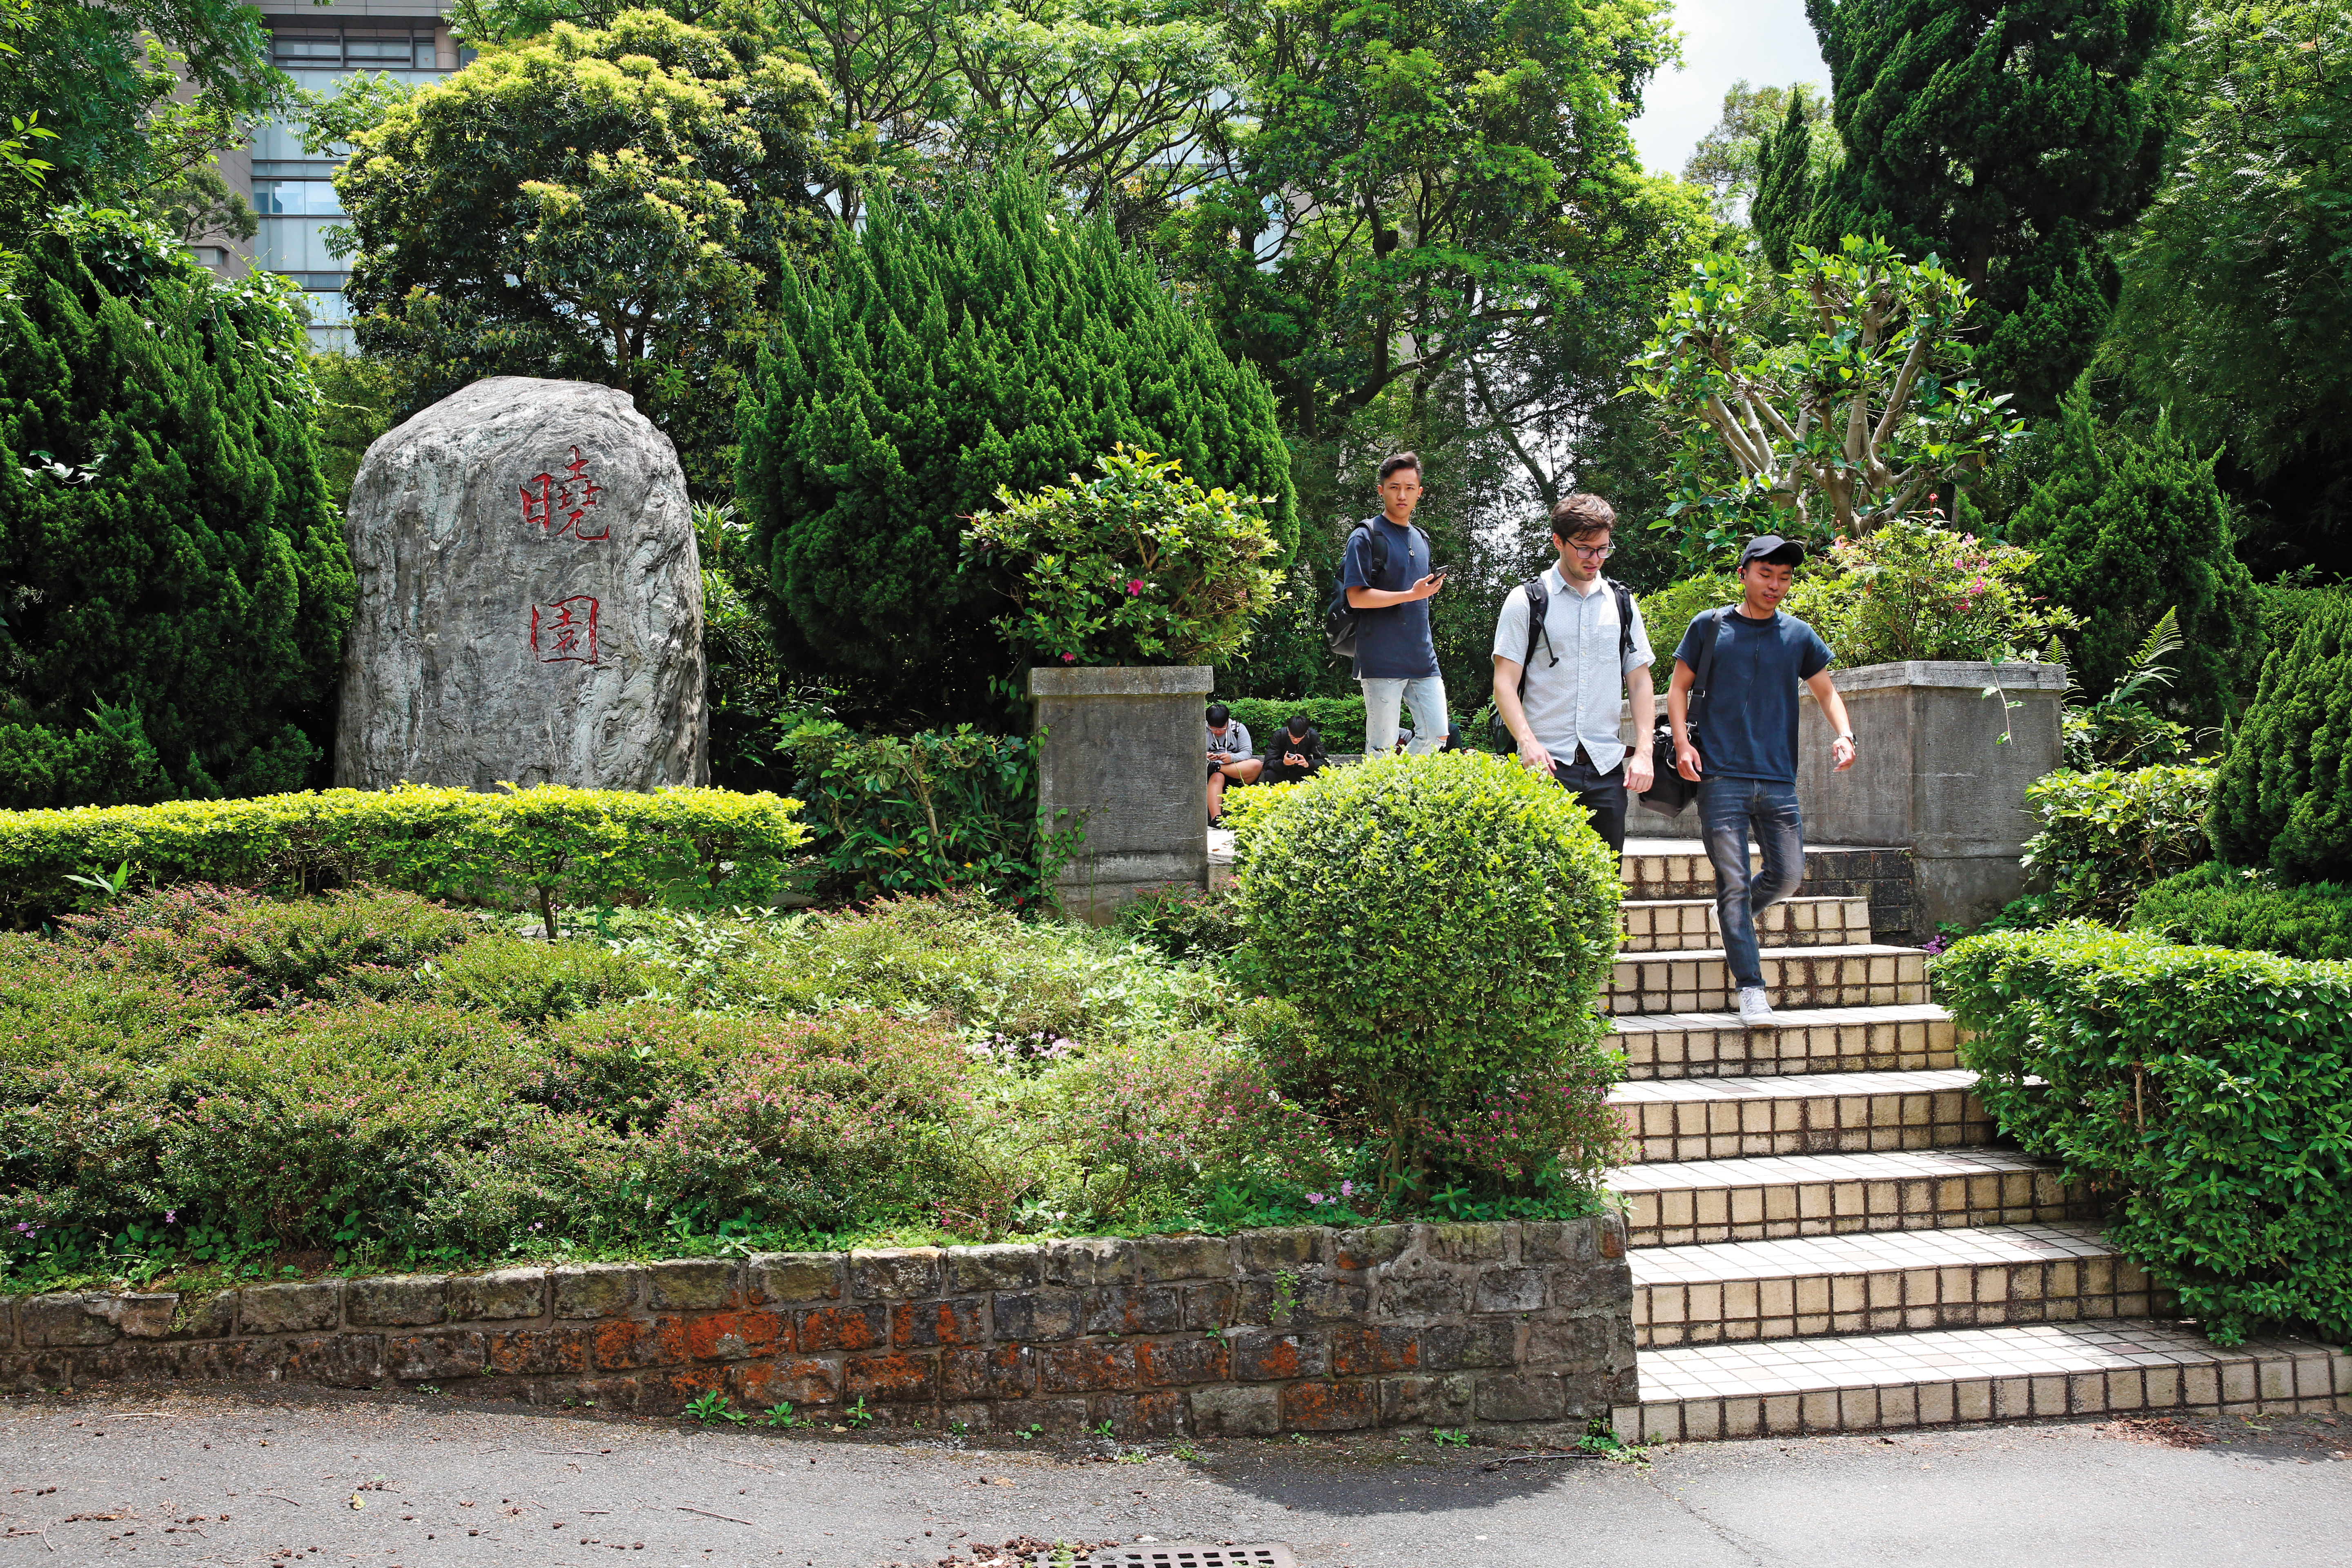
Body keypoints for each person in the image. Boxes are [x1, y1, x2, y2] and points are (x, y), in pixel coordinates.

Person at [1666, 534, 1858, 1027]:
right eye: (1766, 575)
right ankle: (1752, 989)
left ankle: (1734, 915)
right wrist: (1685, 746)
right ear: (1744, 574)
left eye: (1785, 578)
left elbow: (1827, 692)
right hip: (1720, 777)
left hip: (1777, 778)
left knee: (1788, 875)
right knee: (1732, 883)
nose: (1776, 586)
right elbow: (1678, 688)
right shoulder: (1709, 627)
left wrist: (1846, 735)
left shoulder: (1798, 636)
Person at [1490, 492, 1656, 853]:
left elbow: (1641, 681)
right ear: (1558, 542)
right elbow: (1504, 683)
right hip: (1545, 767)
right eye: (1584, 548)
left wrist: (1645, 752)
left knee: (1604, 887)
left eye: (1603, 549)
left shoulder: (1622, 603)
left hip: (1606, 767)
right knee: (1543, 889)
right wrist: (1528, 744)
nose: (1595, 559)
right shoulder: (1528, 600)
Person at [1341, 452, 1448, 755]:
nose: (1402, 495)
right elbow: (1356, 596)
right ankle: (1381, 799)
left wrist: (1421, 594)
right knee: (1382, 749)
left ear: (1419, 492)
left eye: (1410, 488)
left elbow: (1418, 599)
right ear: (1381, 490)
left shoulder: (1422, 538)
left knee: (1438, 735)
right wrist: (1410, 595)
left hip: (1423, 658)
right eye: (1394, 487)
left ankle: (1401, 793)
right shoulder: (1366, 536)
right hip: (1381, 658)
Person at [1205, 702, 1260, 824]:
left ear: (1228, 722)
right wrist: (1205, 756)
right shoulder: (1202, 730)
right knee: (1217, 776)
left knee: (1257, 764)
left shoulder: (1238, 729)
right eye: (1214, 729)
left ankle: (1217, 768)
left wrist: (1231, 758)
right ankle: (1216, 818)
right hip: (1213, 777)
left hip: (1236, 773)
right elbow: (1193, 752)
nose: (1218, 732)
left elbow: (1247, 752)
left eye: (1222, 728)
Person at [1257, 713, 1326, 784]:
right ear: (1288, 730)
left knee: (1320, 775)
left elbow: (1325, 761)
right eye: (1292, 737)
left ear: (1306, 733)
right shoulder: (1280, 735)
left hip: (1304, 772)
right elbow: (1268, 763)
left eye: (1300, 738)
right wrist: (1283, 763)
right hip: (1282, 772)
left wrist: (1308, 764)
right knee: (1270, 775)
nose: (1296, 740)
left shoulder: (1312, 736)